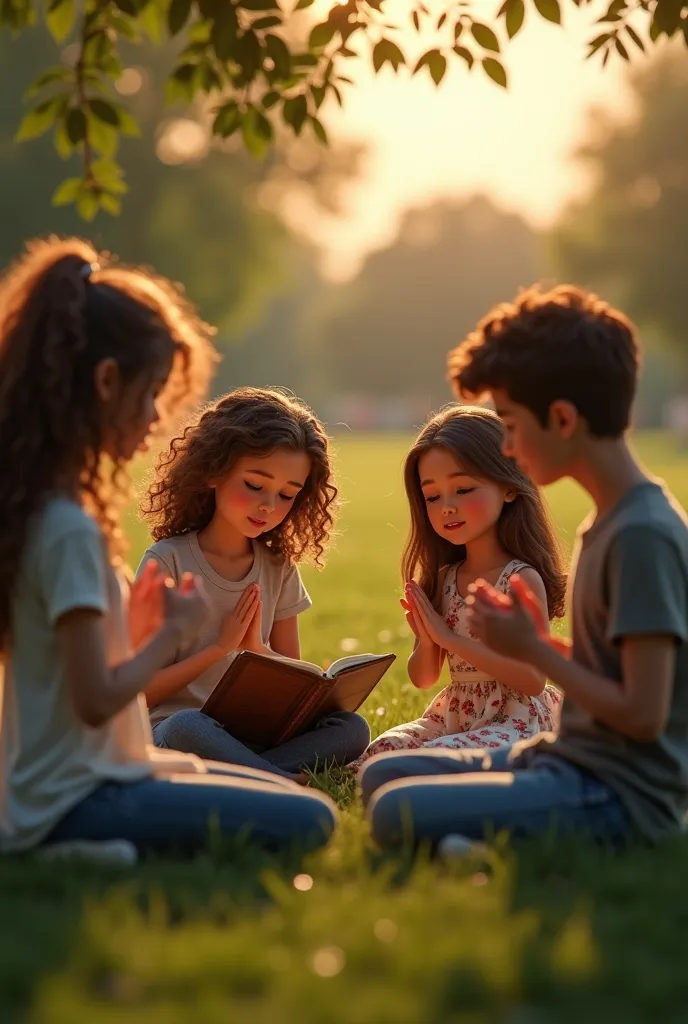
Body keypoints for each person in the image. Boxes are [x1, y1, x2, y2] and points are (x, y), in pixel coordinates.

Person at [0, 237, 336, 859]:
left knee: (300, 803)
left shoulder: (47, 513)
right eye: (151, 390)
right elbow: (96, 698)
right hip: (74, 797)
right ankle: (61, 845)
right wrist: (164, 636)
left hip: (110, 770)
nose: (157, 415)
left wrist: (133, 630)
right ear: (106, 381)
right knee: (309, 822)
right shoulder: (67, 527)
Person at [361, 284, 688, 851]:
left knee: (395, 810)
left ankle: (498, 835)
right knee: (381, 774)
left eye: (510, 424)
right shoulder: (610, 522)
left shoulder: (641, 535)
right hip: (568, 758)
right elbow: (607, 677)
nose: (506, 446)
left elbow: (641, 715)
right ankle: (490, 830)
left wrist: (532, 651)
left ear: (561, 418)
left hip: (618, 793)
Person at [137, 387, 370, 779]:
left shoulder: (277, 567)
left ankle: (258, 774)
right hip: (175, 732)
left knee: (352, 729)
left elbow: (292, 676)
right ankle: (280, 779)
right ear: (214, 470)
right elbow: (139, 694)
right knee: (186, 726)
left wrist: (257, 650)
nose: (269, 505)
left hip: (251, 735)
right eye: (254, 485)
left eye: (286, 495)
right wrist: (219, 650)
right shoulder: (167, 562)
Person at [352, 405, 565, 772]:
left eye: (463, 489)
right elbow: (423, 678)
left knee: (435, 759)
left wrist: (451, 640)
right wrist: (428, 637)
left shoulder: (519, 579)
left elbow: (533, 680)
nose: (447, 507)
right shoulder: (445, 577)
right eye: (432, 497)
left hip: (514, 721)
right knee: (382, 750)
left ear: (510, 487)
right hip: (455, 716)